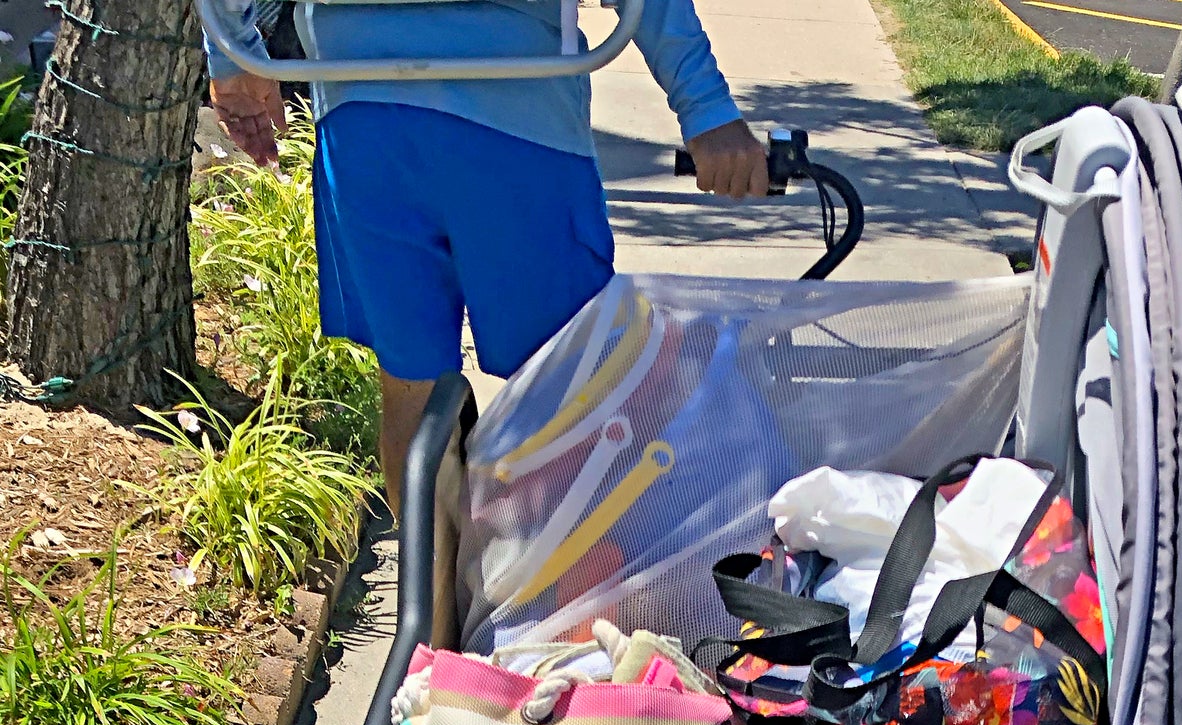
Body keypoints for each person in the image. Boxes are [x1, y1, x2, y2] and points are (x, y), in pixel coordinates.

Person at [204, 0, 768, 512]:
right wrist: (706, 110)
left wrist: (232, 58)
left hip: (363, 117)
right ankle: (557, 608)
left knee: (412, 393)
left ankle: (431, 616)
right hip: (517, 109)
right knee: (562, 387)